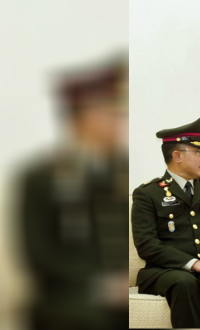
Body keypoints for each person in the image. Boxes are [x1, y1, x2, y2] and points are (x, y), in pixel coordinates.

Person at [18, 53, 129, 330]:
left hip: (120, 293)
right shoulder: (41, 177)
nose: (119, 122)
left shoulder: (122, 170)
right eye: (111, 113)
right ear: (83, 117)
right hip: (69, 295)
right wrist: (100, 285)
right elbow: (38, 253)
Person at [131, 116, 200, 328]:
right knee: (185, 282)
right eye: (199, 152)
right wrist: (192, 264)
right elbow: (146, 244)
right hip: (163, 272)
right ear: (177, 156)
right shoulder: (148, 194)